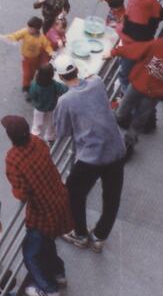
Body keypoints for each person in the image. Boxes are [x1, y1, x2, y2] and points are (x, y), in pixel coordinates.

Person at [53, 63, 126, 249]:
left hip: (92, 156)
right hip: (116, 148)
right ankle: (100, 236)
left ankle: (80, 234)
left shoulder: (65, 100)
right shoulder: (98, 82)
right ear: (76, 70)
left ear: (61, 77)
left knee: (74, 192)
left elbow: (61, 131)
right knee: (112, 197)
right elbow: (93, 79)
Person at [2, 115, 72, 296]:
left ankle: (48, 288)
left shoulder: (13, 158)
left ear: (11, 137)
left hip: (42, 212)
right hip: (59, 198)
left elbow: (21, 193)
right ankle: (58, 272)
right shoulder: (38, 142)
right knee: (47, 243)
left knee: (31, 252)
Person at [111, 26, 163, 148]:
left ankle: (129, 141)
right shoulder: (157, 45)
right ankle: (119, 120)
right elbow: (135, 50)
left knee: (140, 119)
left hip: (153, 95)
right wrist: (114, 52)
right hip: (136, 85)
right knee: (122, 109)